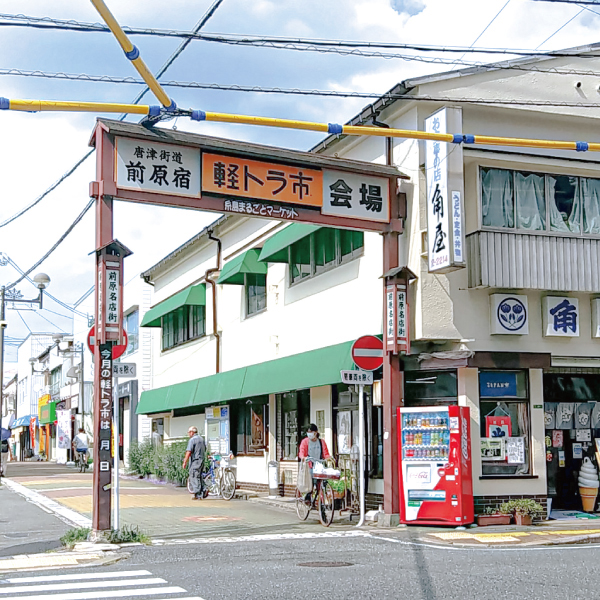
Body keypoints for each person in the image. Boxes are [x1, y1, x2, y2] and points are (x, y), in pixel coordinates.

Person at [298, 424, 331, 503]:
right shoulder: (305, 442)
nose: (309, 434)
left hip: (319, 465)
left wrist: (328, 458)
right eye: (308, 432)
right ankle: (308, 496)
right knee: (311, 482)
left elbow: (325, 453)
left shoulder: (321, 442)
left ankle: (322, 500)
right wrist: (303, 457)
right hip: (309, 465)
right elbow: (302, 452)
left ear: (316, 432)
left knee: (323, 481)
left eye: (311, 432)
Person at [183, 426, 207, 500]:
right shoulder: (202, 439)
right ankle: (204, 489)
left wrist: (185, 461)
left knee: (194, 476)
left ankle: (198, 493)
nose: (188, 434)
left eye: (189, 432)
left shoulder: (192, 440)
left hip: (195, 461)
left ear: (192, 432)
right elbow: (205, 449)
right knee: (199, 476)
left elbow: (189, 451)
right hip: (202, 460)